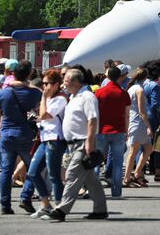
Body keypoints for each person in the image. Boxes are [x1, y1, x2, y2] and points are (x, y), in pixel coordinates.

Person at [41, 69, 107, 222]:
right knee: (90, 179)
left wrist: (90, 142)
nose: (63, 84)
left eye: (66, 81)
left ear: (76, 82)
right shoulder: (73, 96)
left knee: (71, 175)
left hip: (83, 142)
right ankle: (100, 209)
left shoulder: (87, 96)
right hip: (73, 143)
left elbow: (92, 119)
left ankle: (62, 209)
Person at [0, 60, 42, 214]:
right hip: (23, 133)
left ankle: (5, 205)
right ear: (28, 74)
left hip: (6, 133)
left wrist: (0, 125)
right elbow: (39, 108)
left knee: (6, 170)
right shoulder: (34, 92)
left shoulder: (4, 92)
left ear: (13, 74)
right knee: (32, 167)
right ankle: (26, 195)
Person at [27, 69, 68, 218]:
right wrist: (36, 118)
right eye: (43, 84)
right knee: (33, 172)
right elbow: (43, 117)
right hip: (45, 139)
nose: (44, 87)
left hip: (55, 139)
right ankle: (46, 204)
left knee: (54, 176)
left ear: (56, 84)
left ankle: (59, 208)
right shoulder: (51, 97)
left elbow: (45, 115)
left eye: (47, 84)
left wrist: (43, 98)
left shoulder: (60, 99)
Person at [95, 65, 131, 198]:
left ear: (108, 76)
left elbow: (95, 112)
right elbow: (127, 115)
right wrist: (126, 131)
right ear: (120, 76)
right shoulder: (123, 93)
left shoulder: (99, 92)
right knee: (117, 163)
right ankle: (116, 192)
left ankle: (94, 191)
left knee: (96, 162)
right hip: (118, 130)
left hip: (101, 130)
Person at [124, 67, 153, 188]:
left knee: (147, 148)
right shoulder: (139, 90)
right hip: (138, 122)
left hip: (133, 121)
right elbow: (142, 111)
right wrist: (149, 126)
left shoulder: (131, 88)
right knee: (135, 150)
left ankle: (136, 173)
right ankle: (127, 177)